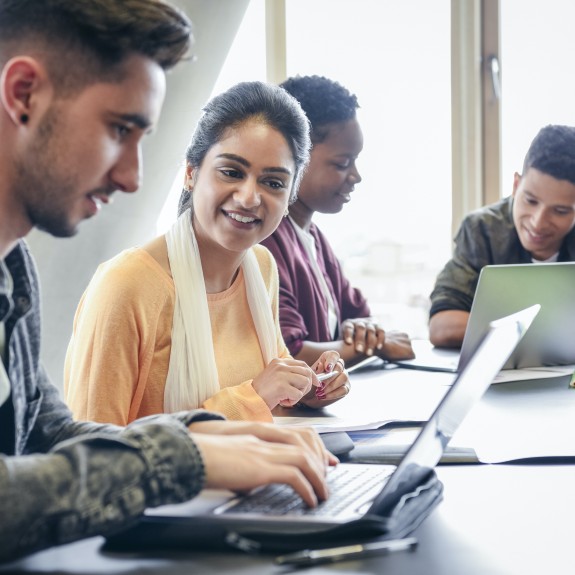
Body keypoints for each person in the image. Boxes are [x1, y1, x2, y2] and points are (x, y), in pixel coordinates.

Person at [0, 1, 336, 563]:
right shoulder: (127, 282)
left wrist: (204, 434)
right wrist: (180, 458)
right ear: (24, 93)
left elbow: (46, 432)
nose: (132, 177)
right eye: (118, 129)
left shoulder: (14, 268)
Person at [64, 79, 351, 427]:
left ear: (290, 195)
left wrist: (308, 386)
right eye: (231, 172)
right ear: (190, 173)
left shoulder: (261, 268)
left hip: (256, 474)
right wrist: (253, 397)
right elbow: (93, 454)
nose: (249, 197)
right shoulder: (127, 286)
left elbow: (269, 392)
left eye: (273, 182)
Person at [261, 75, 414, 367]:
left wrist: (367, 336)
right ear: (295, 157)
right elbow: (291, 354)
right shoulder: (266, 241)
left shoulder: (314, 238)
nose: (355, 176)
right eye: (342, 163)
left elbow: (360, 318)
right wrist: (376, 345)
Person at [429, 124, 575, 348]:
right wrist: (543, 332)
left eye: (560, 211)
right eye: (530, 200)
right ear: (516, 185)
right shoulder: (481, 230)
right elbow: (441, 326)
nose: (538, 222)